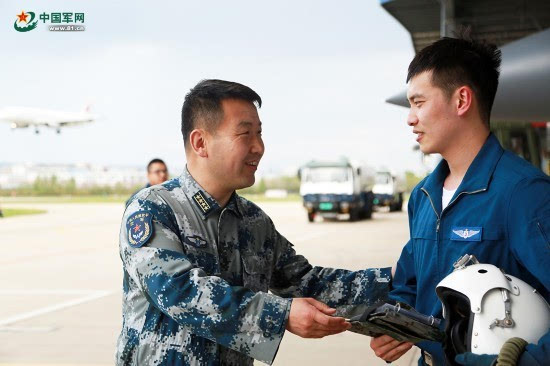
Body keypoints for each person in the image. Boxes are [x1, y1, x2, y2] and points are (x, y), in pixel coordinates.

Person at [116, 79, 392, 365]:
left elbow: (305, 283)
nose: (259, 147)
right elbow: (179, 291)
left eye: (259, 134)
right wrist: (281, 314)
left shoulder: (254, 222)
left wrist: (396, 279)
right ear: (201, 143)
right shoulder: (154, 208)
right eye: (245, 134)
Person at [370, 35, 550, 365]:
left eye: (419, 103)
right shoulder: (422, 196)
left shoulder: (524, 193)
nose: (410, 118)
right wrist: (397, 324)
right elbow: (409, 282)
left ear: (461, 100)